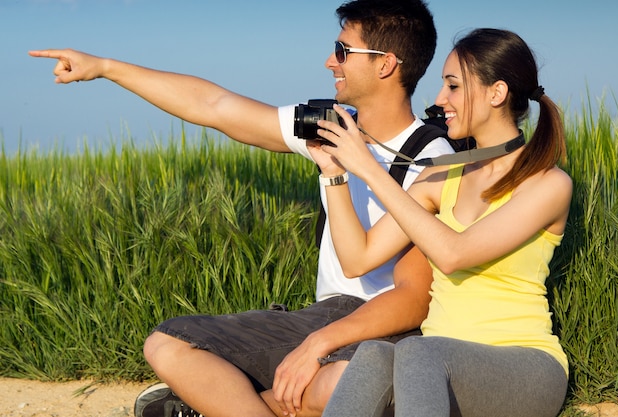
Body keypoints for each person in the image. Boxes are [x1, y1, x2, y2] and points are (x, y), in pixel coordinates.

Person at [30, 1, 454, 417]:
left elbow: (415, 298)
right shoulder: (330, 125)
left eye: (343, 51)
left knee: (338, 383)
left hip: (383, 329)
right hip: (321, 315)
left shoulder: (431, 159)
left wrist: (317, 344)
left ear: (386, 65)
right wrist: (105, 67)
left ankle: (214, 404)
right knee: (167, 344)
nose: (330, 61)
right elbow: (214, 107)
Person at [310, 28, 571, 417]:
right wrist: (334, 174)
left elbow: (453, 254)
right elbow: (356, 259)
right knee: (373, 357)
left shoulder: (548, 184)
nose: (439, 100)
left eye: (453, 86)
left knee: (418, 350)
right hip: (438, 364)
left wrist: (369, 168)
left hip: (525, 367)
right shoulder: (440, 177)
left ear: (496, 93)